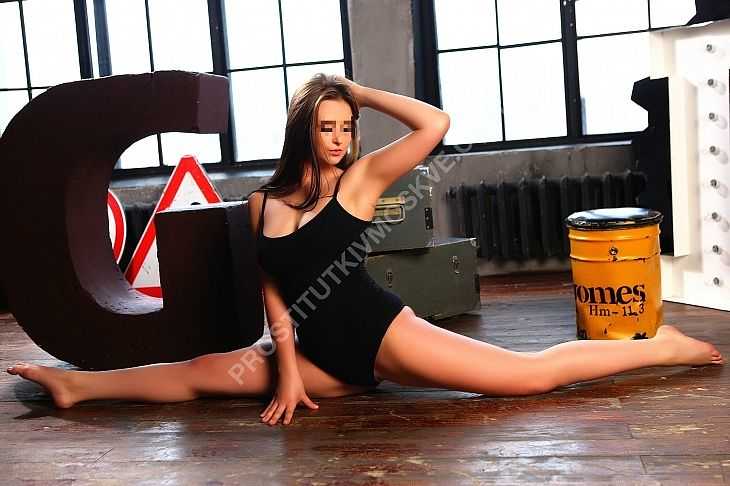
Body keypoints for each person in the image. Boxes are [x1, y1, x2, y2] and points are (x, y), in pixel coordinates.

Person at [6, 74, 725, 427]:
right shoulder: (262, 203)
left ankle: (656, 347)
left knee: (528, 379)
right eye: (327, 126)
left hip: (379, 333)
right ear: (303, 131)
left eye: (346, 127)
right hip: (314, 355)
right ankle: (78, 387)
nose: (340, 139)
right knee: (201, 375)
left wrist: (357, 91)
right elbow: (273, 291)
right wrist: (289, 374)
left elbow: (436, 125)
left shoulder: (362, 181)